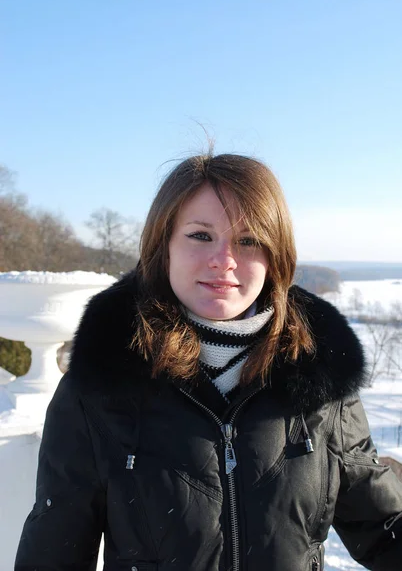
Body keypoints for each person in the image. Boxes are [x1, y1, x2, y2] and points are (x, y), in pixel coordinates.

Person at [15, 153, 402, 571]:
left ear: (276, 254)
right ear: (163, 245)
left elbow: (381, 524)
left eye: (249, 240)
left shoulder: (319, 374)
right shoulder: (101, 385)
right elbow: (55, 546)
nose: (225, 260)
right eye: (201, 235)